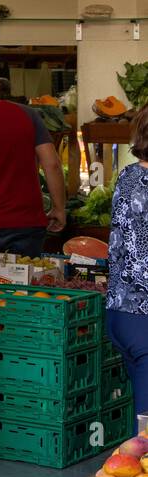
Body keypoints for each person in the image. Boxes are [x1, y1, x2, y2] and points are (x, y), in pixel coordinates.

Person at [0, 62, 66, 260]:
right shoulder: (28, 114)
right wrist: (59, 208)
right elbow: (52, 164)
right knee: (25, 279)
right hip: (27, 222)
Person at [106, 108, 148, 417]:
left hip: (120, 314)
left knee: (142, 416)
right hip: (144, 315)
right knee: (146, 429)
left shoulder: (128, 175)